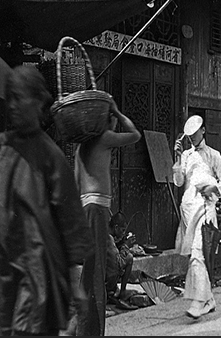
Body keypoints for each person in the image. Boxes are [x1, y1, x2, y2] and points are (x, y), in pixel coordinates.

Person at [0, 65, 92, 335]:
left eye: (19, 97)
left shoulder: (51, 157)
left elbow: (70, 220)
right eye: (9, 97)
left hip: (38, 273)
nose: (12, 105)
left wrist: (75, 283)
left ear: (38, 103)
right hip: (5, 270)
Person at [73, 97, 141, 335]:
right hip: (98, 207)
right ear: (107, 119)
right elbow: (135, 135)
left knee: (91, 269)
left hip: (85, 207)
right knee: (99, 268)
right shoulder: (104, 137)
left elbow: (75, 184)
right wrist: (118, 112)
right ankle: (93, 330)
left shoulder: (81, 147)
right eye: (111, 119)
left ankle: (80, 326)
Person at [173, 115, 221, 319]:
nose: (192, 138)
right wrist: (179, 159)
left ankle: (199, 301)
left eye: (195, 134)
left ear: (203, 131)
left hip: (204, 207)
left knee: (199, 252)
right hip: (188, 209)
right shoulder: (187, 155)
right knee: (195, 256)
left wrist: (212, 188)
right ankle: (209, 299)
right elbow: (179, 182)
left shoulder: (213, 155)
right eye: (189, 136)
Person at [105, 212, 138, 311]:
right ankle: (121, 292)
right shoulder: (108, 240)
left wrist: (122, 241)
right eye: (122, 230)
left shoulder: (108, 236)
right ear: (116, 228)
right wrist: (126, 245)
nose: (123, 233)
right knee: (129, 258)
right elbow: (119, 264)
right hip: (106, 278)